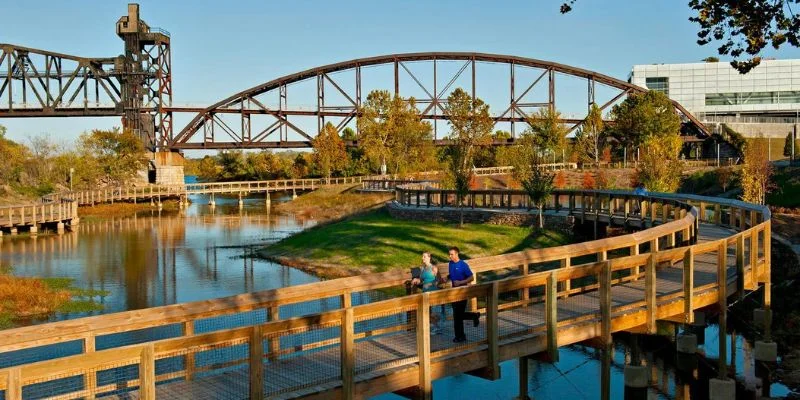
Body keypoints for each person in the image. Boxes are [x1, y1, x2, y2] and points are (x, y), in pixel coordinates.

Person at [447, 246, 479, 343]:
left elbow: (471, 277)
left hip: (462, 292)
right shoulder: (450, 264)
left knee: (457, 316)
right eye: (449, 254)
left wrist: (461, 283)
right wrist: (446, 278)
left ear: (457, 254)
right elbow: (452, 275)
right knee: (457, 315)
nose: (450, 256)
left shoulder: (463, 265)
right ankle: (474, 316)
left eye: (451, 254)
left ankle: (459, 336)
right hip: (453, 293)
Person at [410, 252, 444, 334]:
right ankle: (435, 327)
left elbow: (439, 280)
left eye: (424, 256)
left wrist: (434, 284)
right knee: (427, 312)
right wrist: (416, 280)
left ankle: (438, 327)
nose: (422, 258)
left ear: (429, 258)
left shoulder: (434, 268)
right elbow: (421, 281)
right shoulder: (423, 269)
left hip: (433, 292)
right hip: (425, 293)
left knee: (434, 313)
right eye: (422, 256)